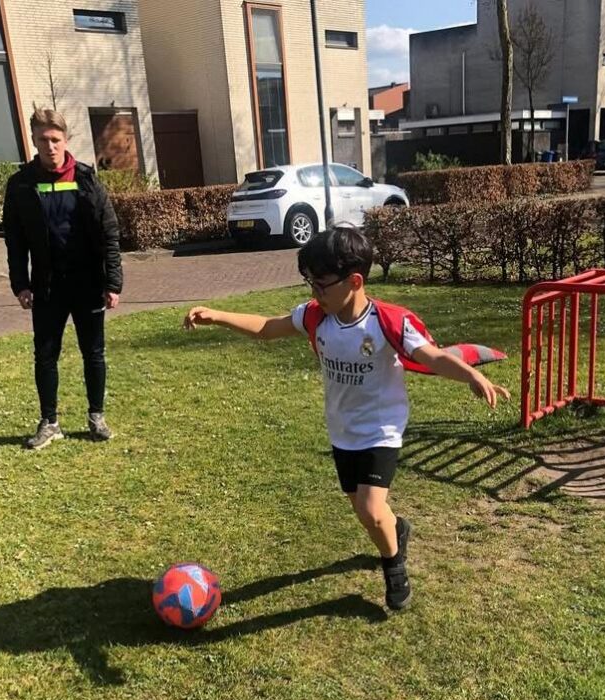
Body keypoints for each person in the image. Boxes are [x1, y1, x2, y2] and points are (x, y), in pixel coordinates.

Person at [183, 226, 509, 611]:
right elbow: (268, 328)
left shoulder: (388, 321)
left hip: (381, 429)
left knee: (371, 510)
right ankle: (397, 529)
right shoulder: (316, 317)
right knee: (365, 511)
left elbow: (432, 356)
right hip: (342, 430)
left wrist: (471, 374)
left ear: (355, 281)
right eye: (310, 284)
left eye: (321, 284)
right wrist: (217, 315)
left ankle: (394, 567)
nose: (313, 293)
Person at [3, 108, 122, 449]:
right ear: (34, 141)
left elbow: (109, 232)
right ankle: (50, 422)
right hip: (47, 287)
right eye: (44, 140)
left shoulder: (86, 179)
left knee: (94, 354)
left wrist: (112, 283)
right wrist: (20, 284)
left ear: (65, 141)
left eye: (56, 140)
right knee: (44, 356)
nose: (50, 146)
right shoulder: (21, 184)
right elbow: (15, 240)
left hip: (87, 285)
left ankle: (96, 416)